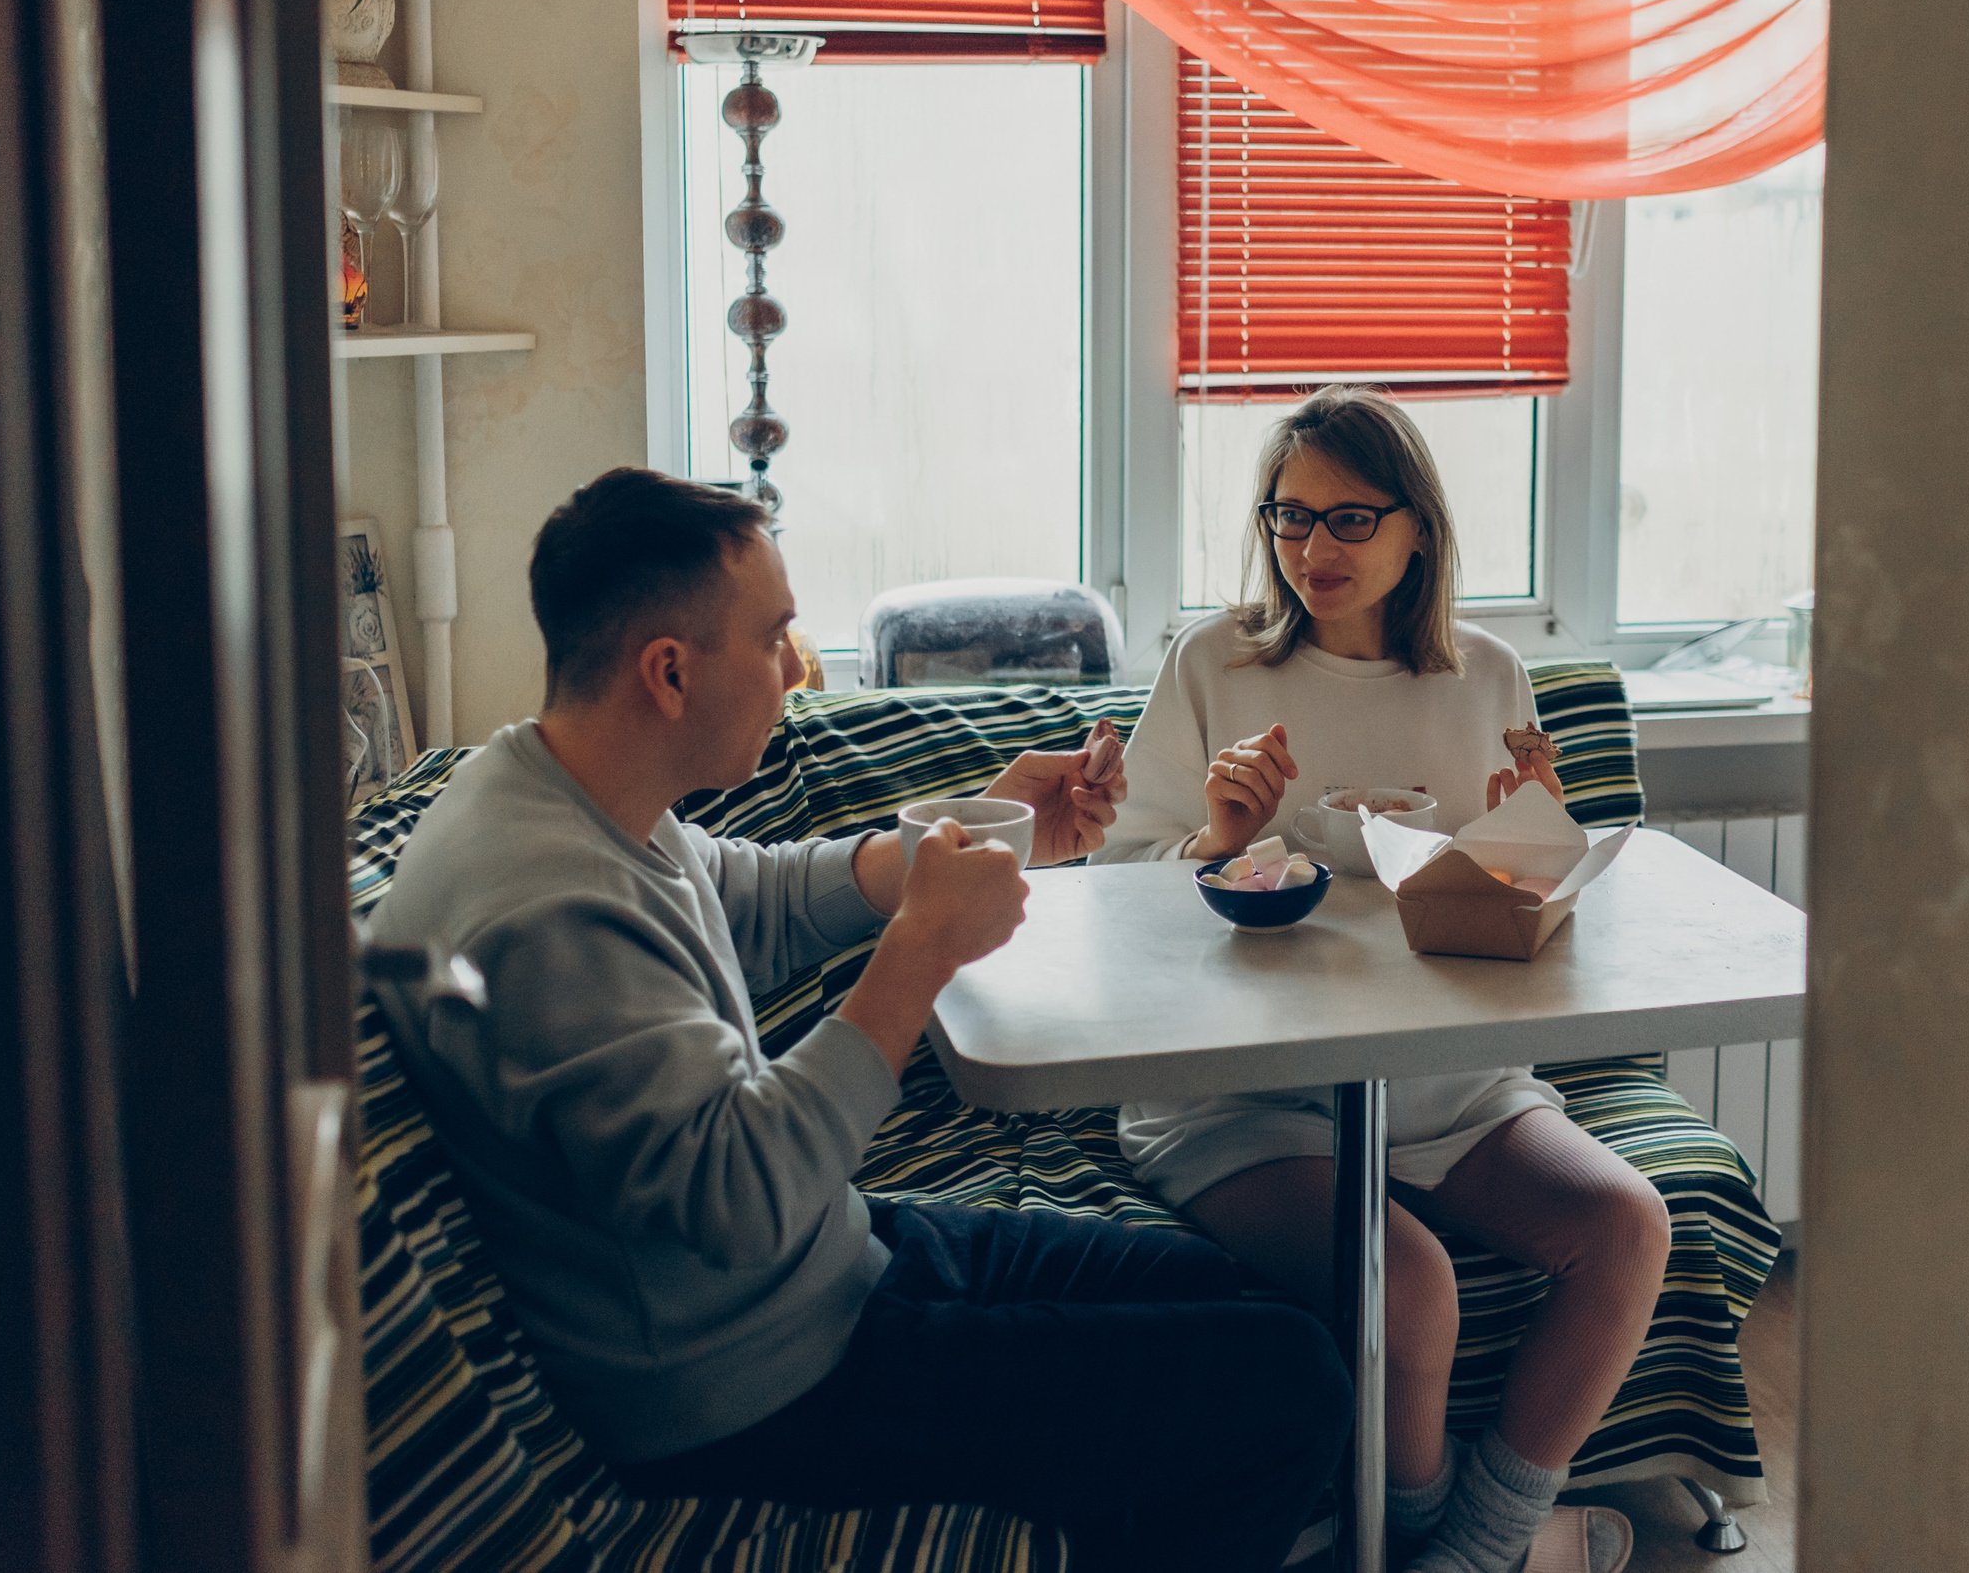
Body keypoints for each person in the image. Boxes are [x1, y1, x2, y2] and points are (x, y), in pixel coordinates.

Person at [369, 468, 1348, 1573]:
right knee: (1291, 1384)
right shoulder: (547, 913)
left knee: (1222, 1291)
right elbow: (740, 1196)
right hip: (754, 1385)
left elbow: (754, 896)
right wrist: (920, 952)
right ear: (669, 671)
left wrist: (970, 833)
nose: (797, 669)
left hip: (828, 1263)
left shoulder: (560, 787)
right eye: (774, 636)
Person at [1096, 389, 1670, 1573]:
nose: (1313, 547)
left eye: (1350, 517)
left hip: (1445, 1080)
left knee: (1626, 1225)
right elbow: (1109, 900)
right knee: (1408, 1286)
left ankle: (1477, 1546)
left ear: (1419, 528)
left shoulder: (1486, 674)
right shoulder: (1213, 661)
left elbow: (1526, 904)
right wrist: (1214, 840)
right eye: (1290, 514)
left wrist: (1532, 837)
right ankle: (1441, 1534)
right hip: (1245, 1092)